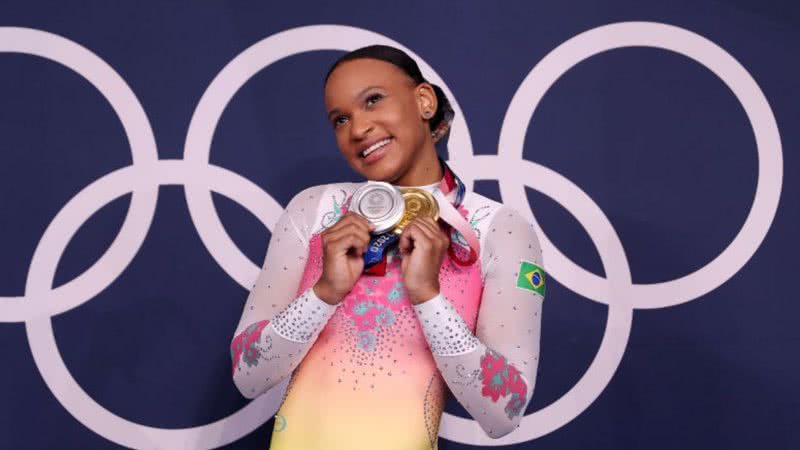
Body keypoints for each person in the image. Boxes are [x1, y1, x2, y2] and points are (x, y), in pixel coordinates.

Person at [229, 45, 545, 450]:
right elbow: (247, 375)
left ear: (424, 101)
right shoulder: (314, 209)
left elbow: (505, 412)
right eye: (340, 119)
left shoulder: (497, 230)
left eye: (373, 100)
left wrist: (428, 298)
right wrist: (325, 294)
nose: (358, 129)